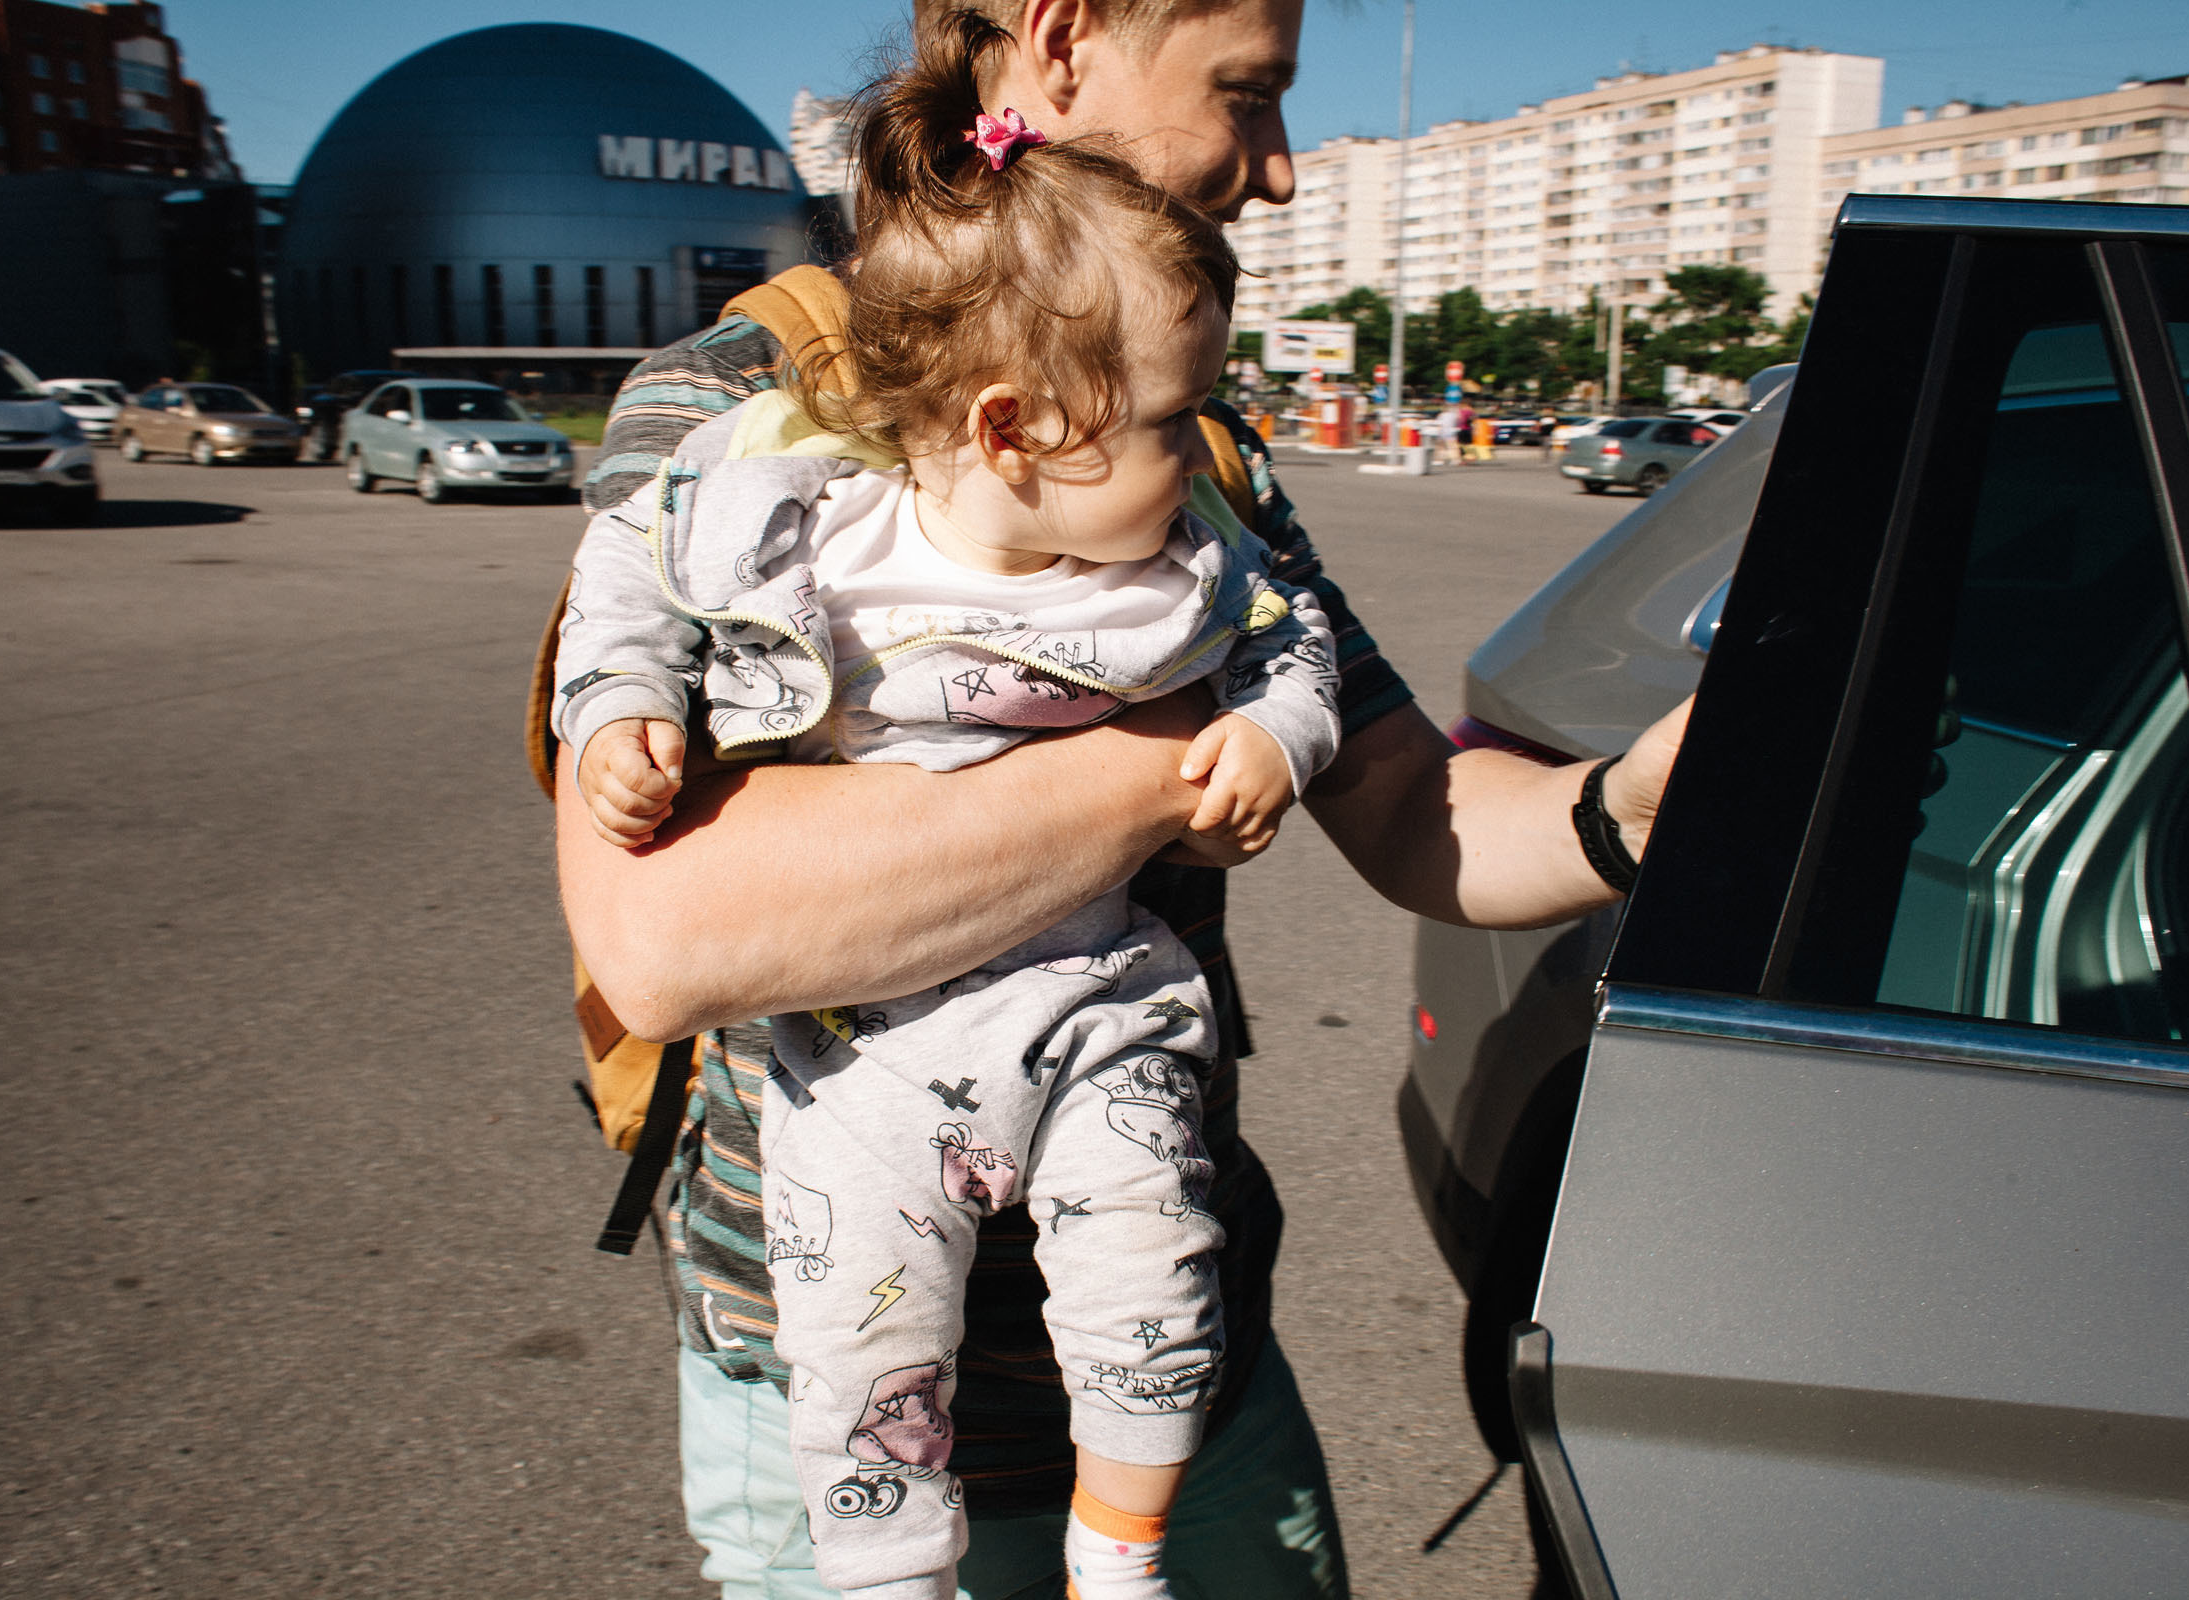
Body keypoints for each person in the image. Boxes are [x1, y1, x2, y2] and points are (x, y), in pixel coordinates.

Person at [555, 2, 1690, 1595]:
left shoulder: (1190, 442)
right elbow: (671, 933)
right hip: (857, 1396)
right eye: (1248, 92)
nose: (1277, 169)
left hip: (1177, 1360)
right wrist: (1168, 753)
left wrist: (1617, 814)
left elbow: (1391, 789)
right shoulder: (752, 403)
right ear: (1064, 34)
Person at [556, 51, 1340, 1596]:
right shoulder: (781, 479)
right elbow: (633, 579)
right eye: (1247, 81)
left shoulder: (1173, 537)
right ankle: (887, 1575)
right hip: (860, 1057)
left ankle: (1123, 1551)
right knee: (864, 1334)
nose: (1200, 456)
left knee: (1146, 1279)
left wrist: (1270, 734)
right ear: (1010, 429)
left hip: (1099, 1011)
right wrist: (621, 709)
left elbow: (1298, 646)